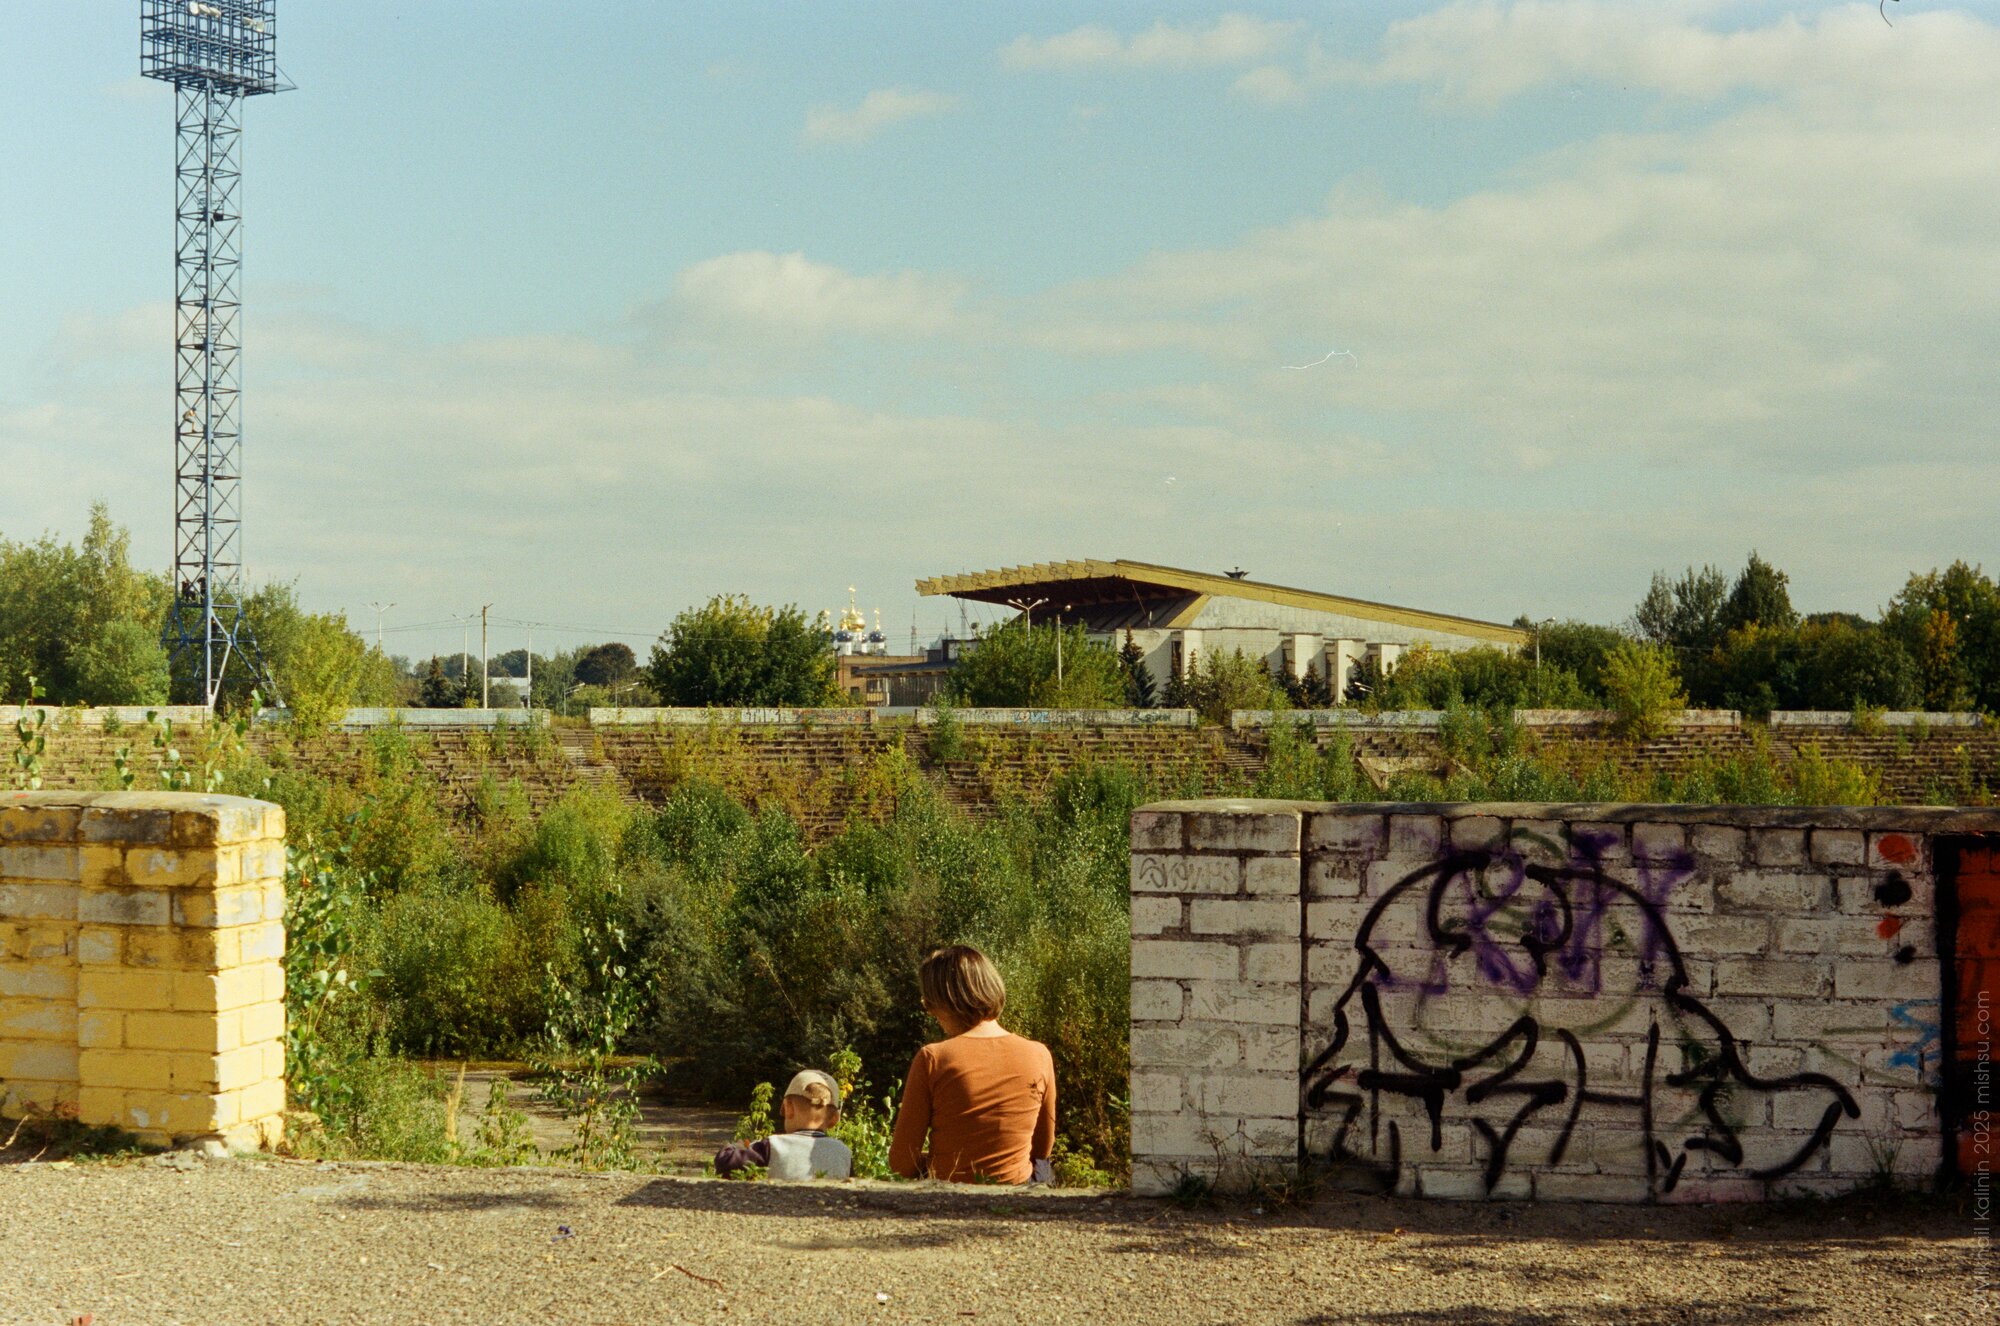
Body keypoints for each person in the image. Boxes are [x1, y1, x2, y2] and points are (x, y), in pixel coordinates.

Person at [888, 945, 1055, 1184]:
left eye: (928, 1004)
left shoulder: (933, 1058)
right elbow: (1042, 1150)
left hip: (950, 1195)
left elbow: (902, 1163)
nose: (930, 1014)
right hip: (1018, 1194)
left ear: (945, 1002)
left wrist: (937, 1162)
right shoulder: (1039, 1054)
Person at [713, 1069, 854, 1180]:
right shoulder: (844, 1153)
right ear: (834, 1119)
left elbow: (725, 1163)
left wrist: (739, 1145)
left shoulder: (772, 1146)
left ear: (789, 1108)